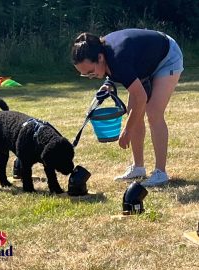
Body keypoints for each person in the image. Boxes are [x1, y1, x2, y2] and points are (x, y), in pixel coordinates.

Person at [71, 28, 184, 187]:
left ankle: (160, 172)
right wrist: (108, 83)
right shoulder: (104, 53)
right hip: (144, 63)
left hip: (167, 56)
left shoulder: (117, 57)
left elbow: (141, 97)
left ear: (100, 57)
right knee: (135, 113)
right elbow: (117, 70)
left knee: (153, 113)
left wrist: (127, 130)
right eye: (86, 75)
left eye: (91, 72)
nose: (91, 77)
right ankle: (138, 168)